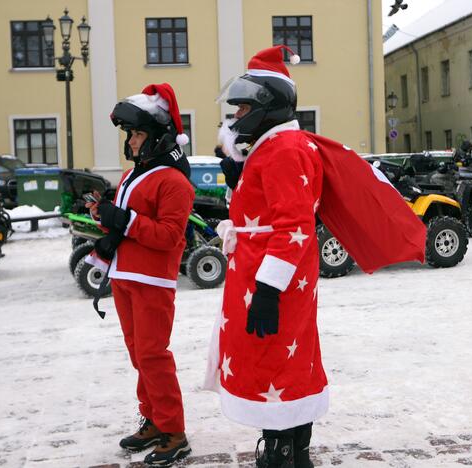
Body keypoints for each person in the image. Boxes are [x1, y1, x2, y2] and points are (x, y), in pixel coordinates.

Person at [205, 45, 323, 468]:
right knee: (284, 361)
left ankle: (282, 453)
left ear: (265, 106)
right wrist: (240, 176)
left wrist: (269, 288)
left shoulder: (284, 150)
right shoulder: (275, 145)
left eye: (240, 109)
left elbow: (294, 226)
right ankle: (291, 449)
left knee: (276, 361)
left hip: (272, 277)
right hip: (266, 271)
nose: (235, 118)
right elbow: (266, 207)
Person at [85, 83, 195, 466]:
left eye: (137, 133)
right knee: (139, 355)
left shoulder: (173, 181)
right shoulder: (137, 176)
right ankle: (152, 417)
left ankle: (174, 431)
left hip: (152, 280)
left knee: (153, 355)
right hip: (126, 276)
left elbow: (169, 236)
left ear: (158, 138)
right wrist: (106, 217)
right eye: (130, 134)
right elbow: (126, 225)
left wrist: (124, 219)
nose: (130, 141)